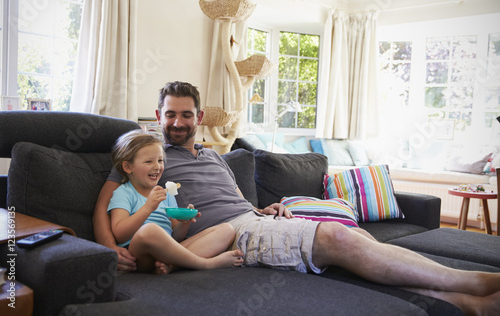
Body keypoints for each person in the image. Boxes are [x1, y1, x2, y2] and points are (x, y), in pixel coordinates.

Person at [94, 81, 500, 315]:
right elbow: (106, 202)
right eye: (170, 114)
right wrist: (111, 249)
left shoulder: (216, 156)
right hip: (225, 235)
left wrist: (263, 208)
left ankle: (463, 302)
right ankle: (478, 282)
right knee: (338, 239)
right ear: (159, 114)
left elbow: (236, 199)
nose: (177, 123)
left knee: (352, 251)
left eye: (185, 115)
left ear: (199, 117)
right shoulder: (150, 157)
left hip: (252, 220)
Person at [107, 129, 243, 274]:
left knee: (226, 229)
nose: (157, 166)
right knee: (149, 230)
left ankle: (173, 265)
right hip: (140, 255)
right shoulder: (123, 193)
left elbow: (176, 237)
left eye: (160, 160)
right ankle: (206, 264)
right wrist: (148, 208)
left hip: (168, 252)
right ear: (128, 167)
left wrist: (184, 223)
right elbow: (119, 233)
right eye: (148, 161)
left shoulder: (165, 194)